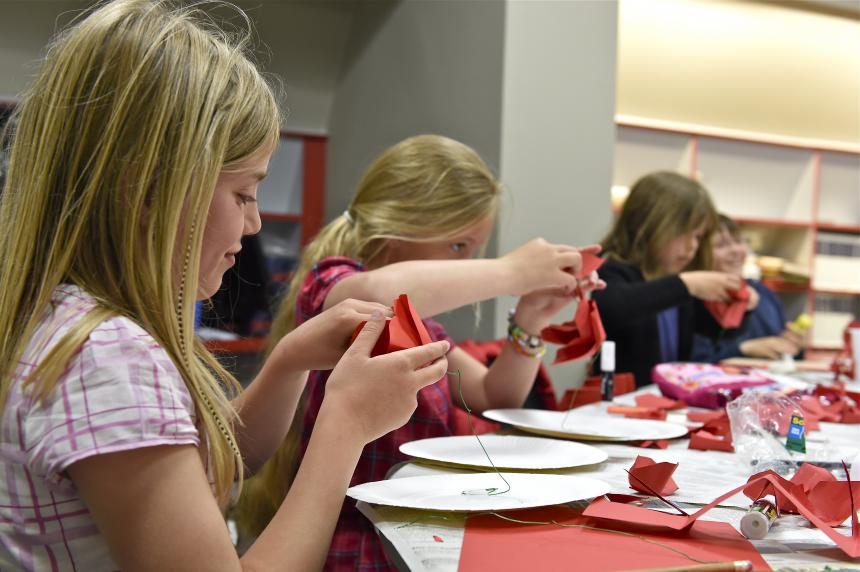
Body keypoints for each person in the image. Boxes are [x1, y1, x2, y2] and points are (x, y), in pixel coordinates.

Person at [0, 1, 449, 570]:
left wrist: (288, 363)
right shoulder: (108, 360)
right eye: (242, 194)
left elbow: (211, 465)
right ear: (150, 193)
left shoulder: (64, 323)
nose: (255, 223)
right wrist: (346, 425)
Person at [234, 134, 602, 570]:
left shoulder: (421, 324)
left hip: (412, 531)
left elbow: (494, 394)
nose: (466, 262)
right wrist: (510, 272)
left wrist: (531, 319)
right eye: (458, 246)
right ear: (402, 226)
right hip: (352, 541)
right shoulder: (332, 283)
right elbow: (377, 293)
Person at [592, 171, 759, 387]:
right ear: (650, 226)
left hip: (665, 402)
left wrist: (743, 307)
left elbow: (718, 330)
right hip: (619, 406)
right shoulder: (615, 270)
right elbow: (613, 307)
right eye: (684, 233)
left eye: (698, 237)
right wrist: (686, 285)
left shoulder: (676, 284)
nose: (692, 246)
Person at [691, 214, 803, 361]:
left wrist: (794, 346)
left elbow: (790, 357)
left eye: (739, 241)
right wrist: (744, 349)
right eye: (721, 245)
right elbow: (693, 360)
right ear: (699, 253)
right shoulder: (693, 297)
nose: (736, 250)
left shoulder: (764, 293)